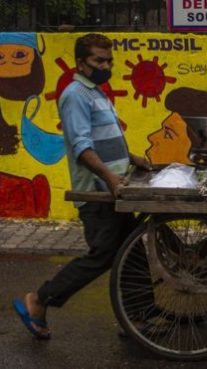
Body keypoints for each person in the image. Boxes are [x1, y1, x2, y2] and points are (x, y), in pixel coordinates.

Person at [12, 33, 151, 339]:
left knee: (132, 252)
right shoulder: (75, 95)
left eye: (109, 61)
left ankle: (137, 318)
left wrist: (132, 157)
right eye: (99, 61)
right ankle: (39, 300)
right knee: (103, 254)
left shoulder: (96, 92)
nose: (106, 66)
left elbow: (105, 137)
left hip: (116, 189)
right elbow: (81, 147)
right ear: (80, 63)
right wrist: (111, 178)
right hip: (98, 192)